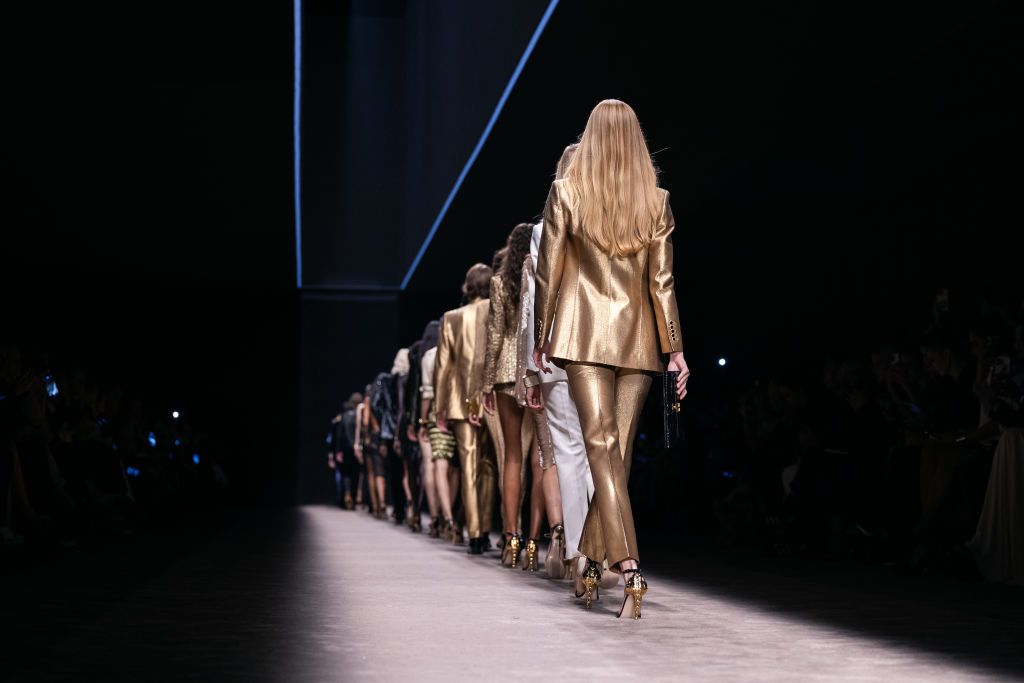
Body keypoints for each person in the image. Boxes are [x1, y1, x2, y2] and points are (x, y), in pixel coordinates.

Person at [534, 99, 689, 619]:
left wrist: (541, 335)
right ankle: (594, 567)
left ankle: (628, 568)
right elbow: (662, 283)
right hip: (638, 340)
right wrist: (674, 348)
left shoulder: (567, 192)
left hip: (581, 335)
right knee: (612, 455)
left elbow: (548, 272)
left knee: (602, 449)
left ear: (591, 136)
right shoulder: (656, 201)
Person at [484, 224, 563, 572]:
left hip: (505, 372)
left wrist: (486, 384)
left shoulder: (500, 283)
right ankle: (535, 541)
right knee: (542, 457)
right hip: (535, 368)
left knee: (512, 458)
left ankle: (511, 538)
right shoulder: (542, 272)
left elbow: (495, 335)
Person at [435, 264, 498, 555]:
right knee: (489, 466)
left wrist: (439, 408)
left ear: (467, 285)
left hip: (460, 401)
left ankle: (473, 533)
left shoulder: (451, 318)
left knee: (469, 466)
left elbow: (443, 367)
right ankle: (484, 529)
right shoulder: (496, 311)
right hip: (492, 398)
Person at [418, 321, 461, 541]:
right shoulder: (460, 349)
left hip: (438, 413)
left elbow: (427, 392)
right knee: (457, 468)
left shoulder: (430, 356)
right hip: (461, 411)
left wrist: (423, 421)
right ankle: (451, 516)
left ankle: (443, 517)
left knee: (438, 465)